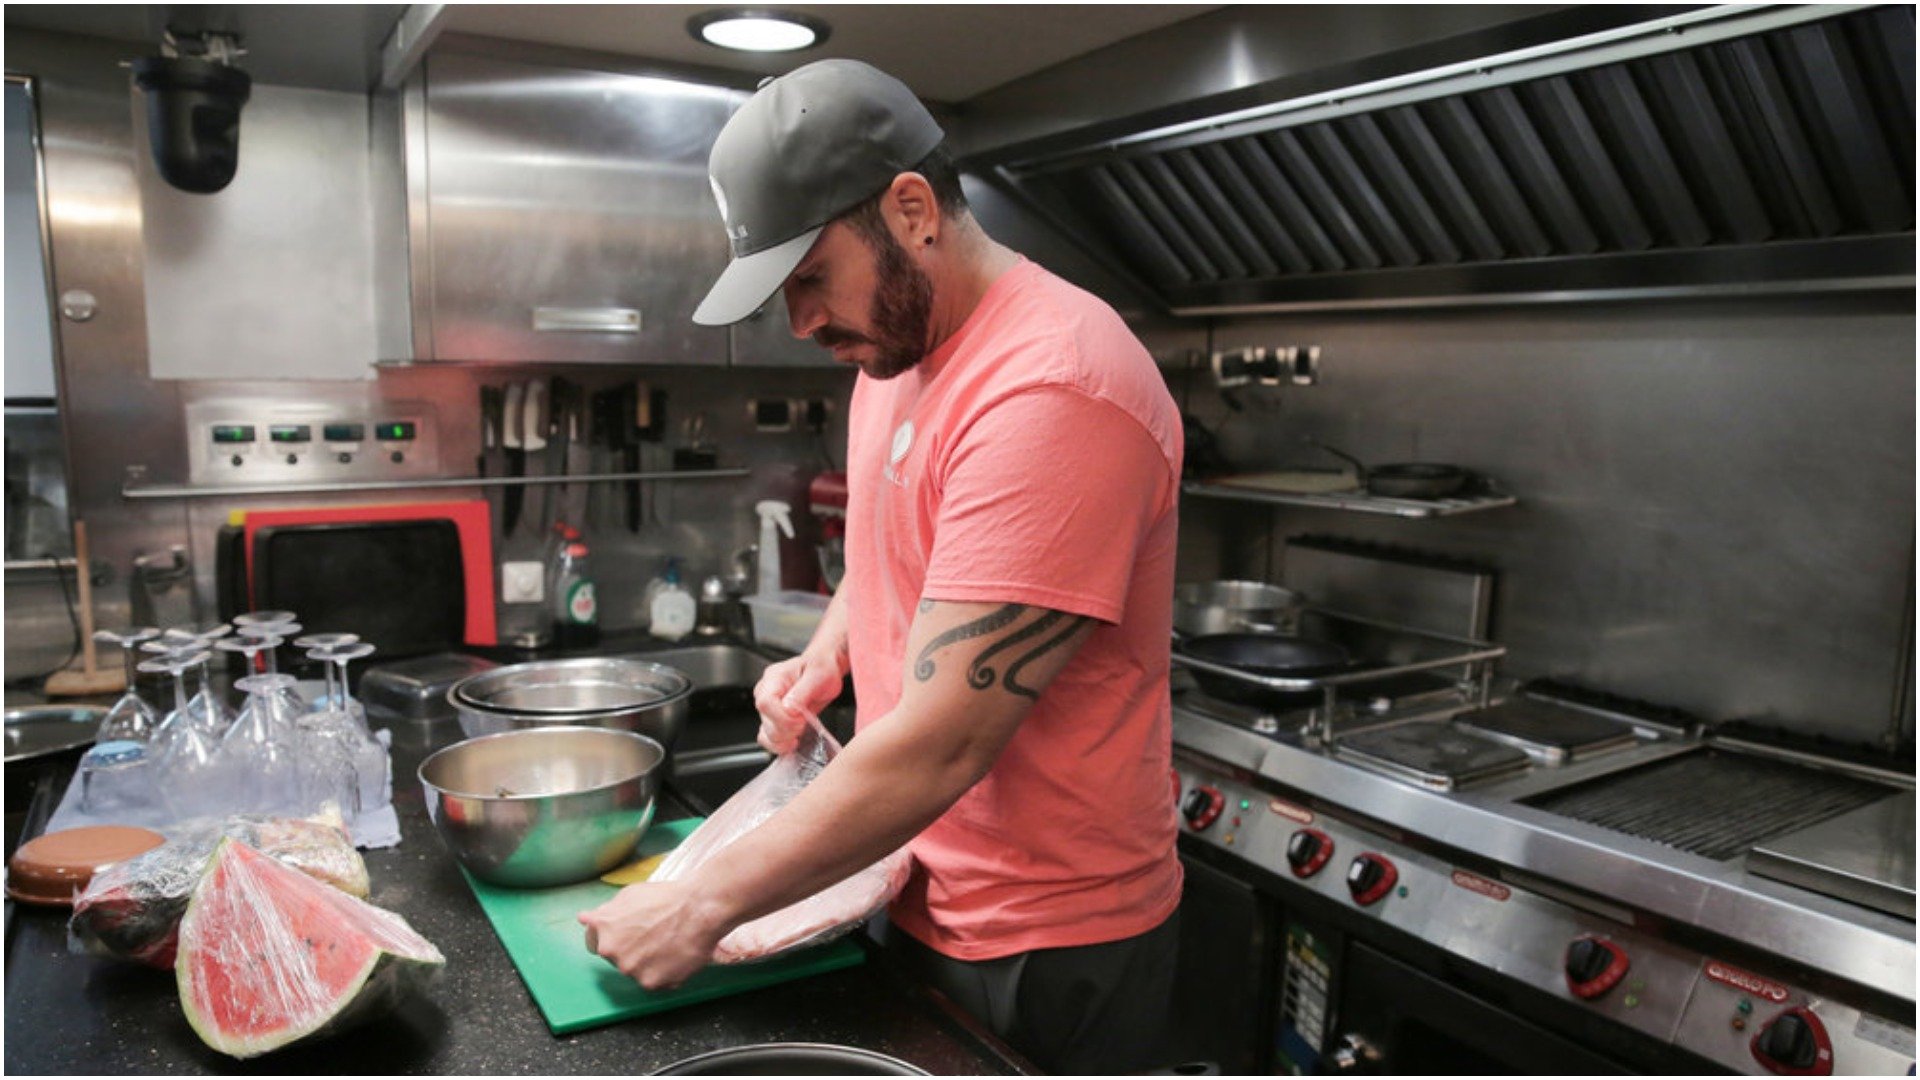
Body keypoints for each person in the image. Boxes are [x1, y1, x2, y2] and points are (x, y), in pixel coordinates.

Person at [579, 59, 1185, 1074]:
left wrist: (698, 904)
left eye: (810, 276)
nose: (801, 322)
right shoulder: (896, 354)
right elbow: (899, 549)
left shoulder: (1052, 390)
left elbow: (945, 743)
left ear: (911, 209)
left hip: (1045, 932)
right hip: (912, 876)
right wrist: (829, 654)